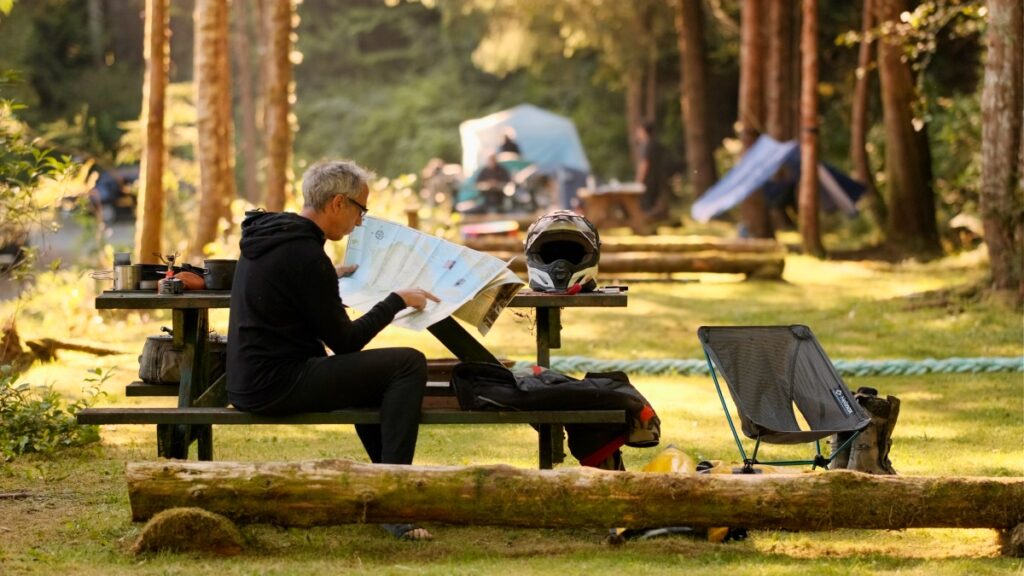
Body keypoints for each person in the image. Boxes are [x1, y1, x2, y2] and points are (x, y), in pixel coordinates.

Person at [226, 159, 439, 541]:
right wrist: (396, 300)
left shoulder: (275, 236)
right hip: (275, 384)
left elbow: (296, 291)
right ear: (338, 203)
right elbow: (345, 343)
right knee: (407, 363)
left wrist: (330, 277)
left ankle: (386, 489)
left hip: (249, 379)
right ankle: (394, 500)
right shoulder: (306, 254)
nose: (360, 221)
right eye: (361, 209)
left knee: (371, 377)